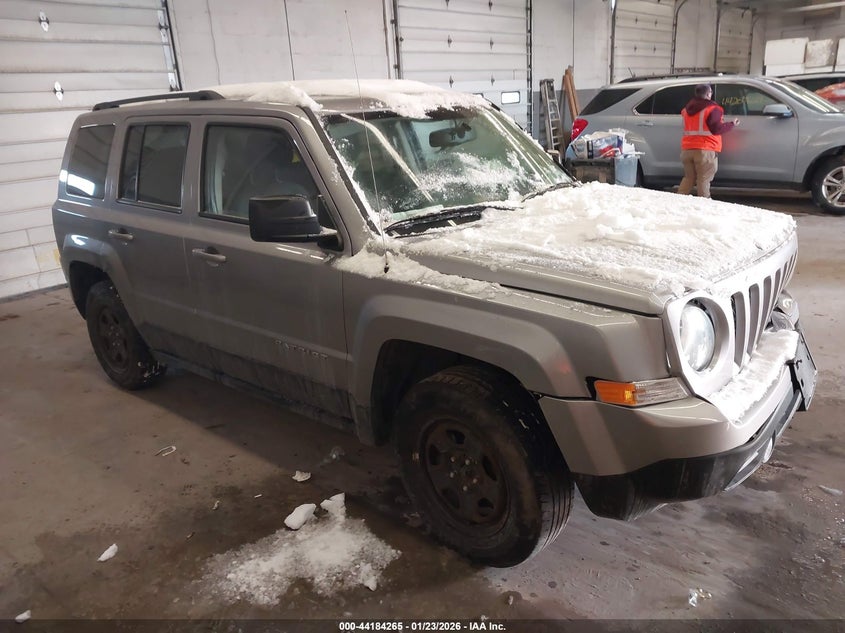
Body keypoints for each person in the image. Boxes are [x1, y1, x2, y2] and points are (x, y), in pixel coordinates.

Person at [677, 84, 739, 198]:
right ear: (708, 94)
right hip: (705, 150)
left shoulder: (686, 110)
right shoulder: (713, 109)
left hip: (687, 150)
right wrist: (732, 124)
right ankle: (705, 206)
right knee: (704, 180)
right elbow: (717, 129)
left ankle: (678, 202)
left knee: (688, 178)